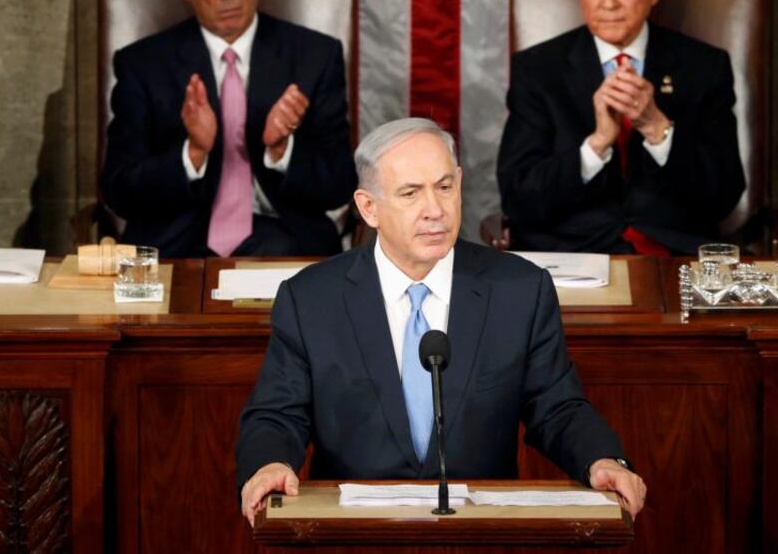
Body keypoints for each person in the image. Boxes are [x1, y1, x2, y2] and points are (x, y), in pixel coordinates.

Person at [236, 118, 646, 527]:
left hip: (480, 532)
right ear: (368, 208)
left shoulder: (518, 289)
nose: (435, 210)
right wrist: (269, 464)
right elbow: (278, 414)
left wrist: (602, 458)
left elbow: (556, 407)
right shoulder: (312, 298)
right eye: (411, 193)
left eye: (445, 187)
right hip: (353, 530)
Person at [102, 0, 356, 258]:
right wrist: (193, 153)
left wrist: (282, 150)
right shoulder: (142, 64)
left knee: (280, 257)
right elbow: (119, 190)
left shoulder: (315, 56)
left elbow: (340, 184)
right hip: (174, 241)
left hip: (283, 234)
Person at [497, 0, 745, 256]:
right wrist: (596, 145)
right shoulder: (537, 70)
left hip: (674, 256)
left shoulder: (705, 66)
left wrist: (657, 129)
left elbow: (724, 197)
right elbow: (518, 198)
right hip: (571, 253)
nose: (609, 2)